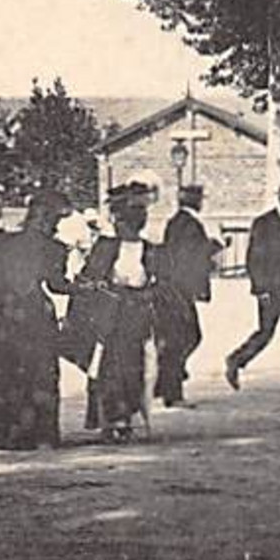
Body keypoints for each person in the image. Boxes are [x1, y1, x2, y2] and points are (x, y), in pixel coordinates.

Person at [0, 189, 76, 449]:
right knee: (37, 369)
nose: (56, 226)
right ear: (47, 218)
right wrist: (86, 286)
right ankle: (39, 434)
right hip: (31, 312)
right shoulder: (53, 248)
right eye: (55, 220)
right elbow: (57, 285)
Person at [77, 183, 165, 442]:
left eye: (127, 222)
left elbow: (162, 283)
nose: (121, 227)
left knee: (133, 367)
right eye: (121, 221)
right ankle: (108, 419)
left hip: (136, 316)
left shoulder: (150, 250)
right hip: (110, 315)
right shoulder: (105, 248)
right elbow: (88, 277)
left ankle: (128, 418)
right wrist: (97, 287)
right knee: (106, 369)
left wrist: (150, 293)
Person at [226, 180, 280, 394]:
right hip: (272, 291)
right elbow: (254, 260)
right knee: (265, 334)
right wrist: (260, 289)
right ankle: (235, 360)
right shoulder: (264, 224)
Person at [155, 183, 222, 408]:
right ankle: (171, 388)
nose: (202, 201)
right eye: (199, 198)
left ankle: (169, 383)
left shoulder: (177, 222)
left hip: (175, 288)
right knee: (185, 337)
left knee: (182, 338)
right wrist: (213, 248)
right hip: (179, 290)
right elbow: (188, 256)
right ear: (193, 200)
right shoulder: (189, 224)